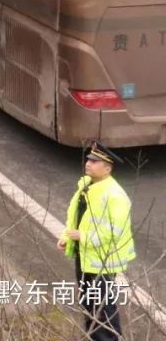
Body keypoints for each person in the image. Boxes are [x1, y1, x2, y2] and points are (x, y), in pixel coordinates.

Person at [57, 141, 134, 341]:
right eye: (89, 160)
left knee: (103, 307)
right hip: (85, 255)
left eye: (95, 161)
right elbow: (75, 216)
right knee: (89, 303)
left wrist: (83, 237)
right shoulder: (87, 186)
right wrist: (67, 237)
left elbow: (113, 231)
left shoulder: (115, 195)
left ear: (107, 168)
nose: (88, 164)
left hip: (103, 260)